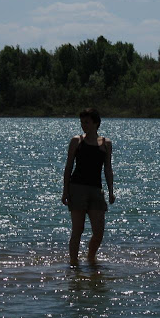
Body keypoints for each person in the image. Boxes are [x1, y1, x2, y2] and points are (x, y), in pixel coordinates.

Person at [62, 108, 115, 265]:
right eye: (82, 122)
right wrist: (65, 191)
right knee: (77, 230)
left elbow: (108, 168)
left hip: (96, 189)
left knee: (98, 232)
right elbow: (68, 167)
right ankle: (74, 263)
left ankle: (91, 258)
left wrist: (111, 191)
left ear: (96, 123)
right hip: (77, 188)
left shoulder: (105, 143)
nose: (83, 125)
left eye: (87, 122)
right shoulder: (77, 141)